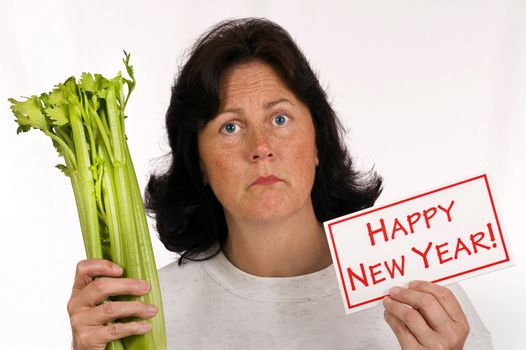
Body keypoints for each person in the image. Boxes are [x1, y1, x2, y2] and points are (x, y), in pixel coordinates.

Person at [67, 18, 493, 349]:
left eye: (280, 118)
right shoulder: (147, 315)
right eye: (230, 127)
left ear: (318, 143)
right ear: (197, 162)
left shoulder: (423, 298)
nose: (261, 147)